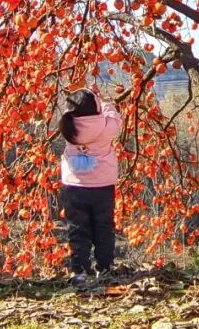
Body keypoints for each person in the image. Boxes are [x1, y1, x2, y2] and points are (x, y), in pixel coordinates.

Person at [59, 85, 121, 285]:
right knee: (104, 227)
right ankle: (104, 268)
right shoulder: (105, 125)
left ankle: (79, 270)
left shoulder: (67, 126)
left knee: (77, 228)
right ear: (95, 108)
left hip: (74, 185)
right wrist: (103, 101)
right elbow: (115, 116)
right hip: (102, 185)